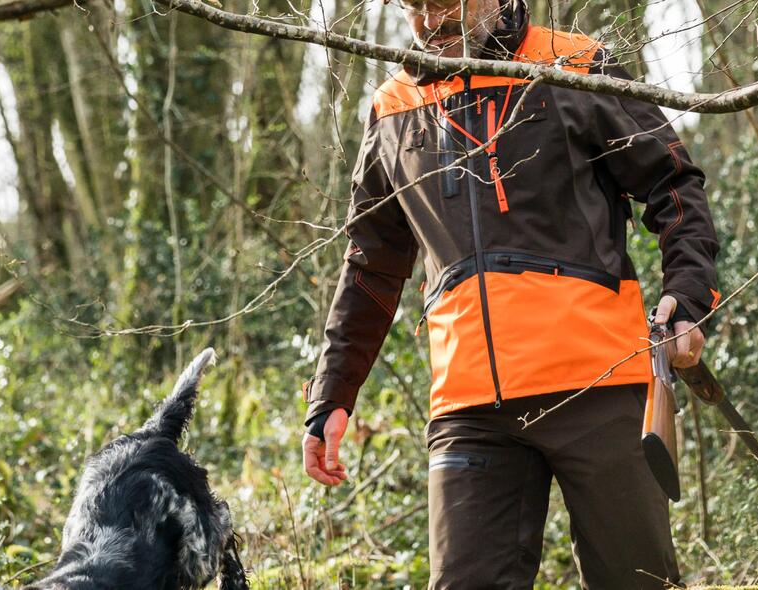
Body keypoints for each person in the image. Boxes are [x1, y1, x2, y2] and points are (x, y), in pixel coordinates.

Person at [297, 0, 721, 587]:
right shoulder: (394, 106)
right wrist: (332, 395)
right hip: (470, 407)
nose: (427, 19)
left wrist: (689, 296)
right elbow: (371, 266)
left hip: (601, 382)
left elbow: (673, 184)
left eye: (442, 2)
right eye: (412, 5)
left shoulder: (574, 64)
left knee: (639, 581)